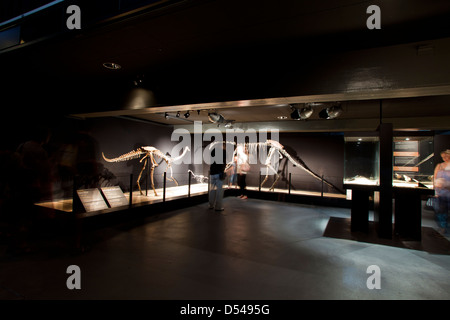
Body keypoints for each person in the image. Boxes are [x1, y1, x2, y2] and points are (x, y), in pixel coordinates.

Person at [433, 149, 450, 234]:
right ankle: (443, 228)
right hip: (441, 192)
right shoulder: (439, 166)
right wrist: (435, 190)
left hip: (448, 191)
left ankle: (446, 228)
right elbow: (435, 177)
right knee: (440, 211)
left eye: (446, 156)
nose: (445, 158)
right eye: (443, 157)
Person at [209, 143, 227, 211]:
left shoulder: (212, 151)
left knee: (212, 189)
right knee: (219, 190)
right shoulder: (223, 152)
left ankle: (211, 205)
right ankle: (218, 206)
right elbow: (224, 162)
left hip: (212, 173)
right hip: (219, 173)